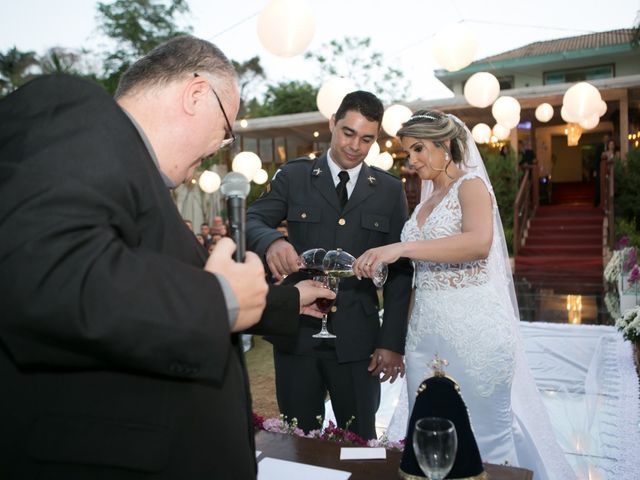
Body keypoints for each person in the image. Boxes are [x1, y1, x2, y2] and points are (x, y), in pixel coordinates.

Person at [0, 36, 334, 479]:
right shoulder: (79, 115)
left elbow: (146, 285)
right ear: (197, 94)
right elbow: (46, 271)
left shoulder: (137, 176)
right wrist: (218, 299)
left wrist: (286, 301)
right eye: (226, 128)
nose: (219, 146)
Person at [353, 110, 576, 479]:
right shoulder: (424, 202)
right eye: (409, 152)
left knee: (483, 435)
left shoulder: (471, 185)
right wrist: (400, 326)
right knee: (429, 430)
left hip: (474, 333)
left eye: (419, 149)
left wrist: (401, 249)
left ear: (446, 145)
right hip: (425, 336)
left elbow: (477, 243)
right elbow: (420, 275)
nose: (412, 161)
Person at [246, 91, 413, 440]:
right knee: (298, 438)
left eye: (366, 138)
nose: (355, 146)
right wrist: (272, 241)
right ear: (332, 124)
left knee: (359, 439)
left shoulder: (387, 189)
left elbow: (401, 271)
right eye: (348, 133)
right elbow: (252, 221)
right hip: (297, 336)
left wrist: (392, 341)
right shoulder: (294, 176)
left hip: (358, 342)